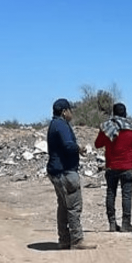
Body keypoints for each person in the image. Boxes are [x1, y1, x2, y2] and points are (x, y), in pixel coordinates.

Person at [46, 98, 95, 250]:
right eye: (70, 110)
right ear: (64, 111)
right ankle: (77, 240)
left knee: (63, 206)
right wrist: (79, 148)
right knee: (73, 207)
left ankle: (64, 239)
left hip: (56, 171)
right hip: (65, 172)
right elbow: (68, 145)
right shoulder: (61, 125)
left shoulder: (54, 124)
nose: (71, 113)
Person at [94, 102, 132, 232]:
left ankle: (112, 223)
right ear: (125, 113)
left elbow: (98, 144)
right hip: (127, 167)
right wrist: (129, 149)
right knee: (126, 196)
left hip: (111, 167)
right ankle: (126, 224)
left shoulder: (106, 128)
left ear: (113, 113)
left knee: (111, 194)